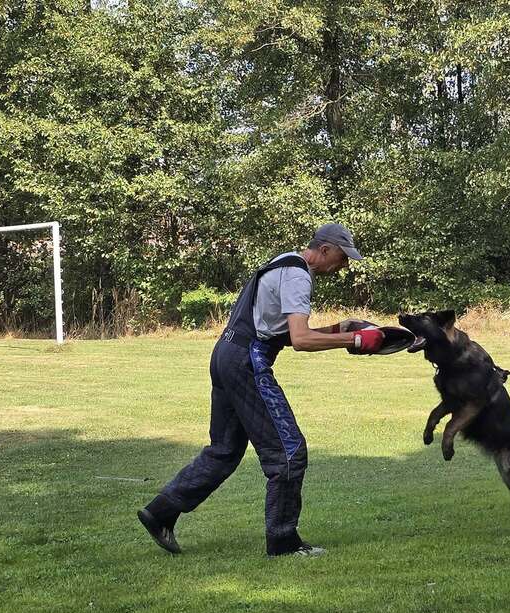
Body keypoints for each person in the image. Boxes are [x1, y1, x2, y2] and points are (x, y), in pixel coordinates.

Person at [137, 223, 385, 556]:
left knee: (224, 451)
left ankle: (160, 512)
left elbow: (279, 331)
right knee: (288, 451)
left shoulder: (283, 261)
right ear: (325, 250)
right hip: (247, 362)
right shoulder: (299, 276)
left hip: (225, 354)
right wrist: (354, 340)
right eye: (342, 258)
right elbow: (301, 339)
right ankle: (283, 542)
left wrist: (340, 328)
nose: (343, 267)